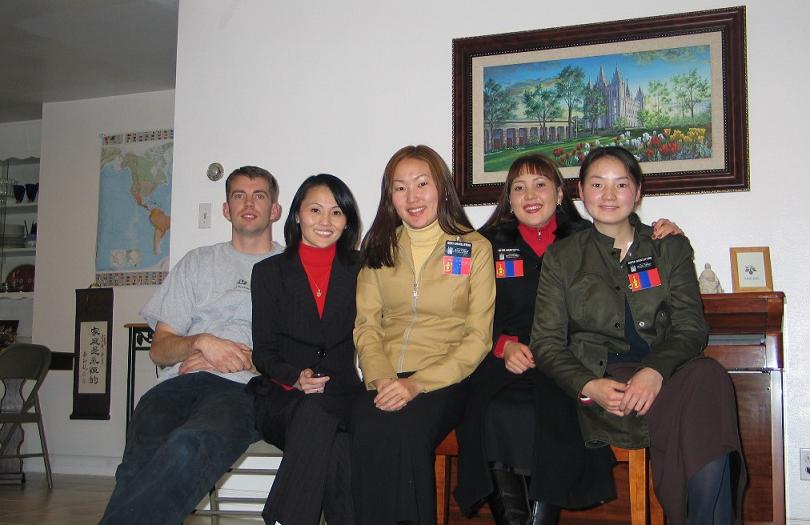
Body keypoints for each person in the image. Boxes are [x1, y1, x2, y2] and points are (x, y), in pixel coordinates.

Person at [454, 153, 682, 525]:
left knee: (553, 413)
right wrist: (504, 345)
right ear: (508, 199)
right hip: (504, 361)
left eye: (540, 184)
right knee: (488, 411)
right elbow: (461, 309)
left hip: (568, 361)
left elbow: (632, 254)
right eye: (519, 187)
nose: (530, 194)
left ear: (560, 193)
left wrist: (663, 231)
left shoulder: (587, 238)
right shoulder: (485, 245)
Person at [531, 146, 746, 525]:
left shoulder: (669, 246)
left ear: (639, 192)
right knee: (702, 415)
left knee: (709, 378)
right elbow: (546, 343)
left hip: (666, 379)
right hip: (603, 389)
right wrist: (587, 385)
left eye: (621, 184)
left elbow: (691, 327)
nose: (609, 196)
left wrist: (655, 371)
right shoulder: (562, 258)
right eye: (597, 184)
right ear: (581, 192)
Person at [100, 166, 283, 525]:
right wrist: (202, 343)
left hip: (244, 388)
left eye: (259, 195)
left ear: (274, 209)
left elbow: (305, 352)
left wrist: (244, 358)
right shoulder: (197, 263)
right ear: (226, 209)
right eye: (238, 195)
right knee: (138, 466)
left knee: (188, 445)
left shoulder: (290, 269)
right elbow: (159, 348)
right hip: (177, 383)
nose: (248, 203)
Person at [351, 144, 496, 525]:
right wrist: (382, 379)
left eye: (421, 184)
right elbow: (366, 325)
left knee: (406, 429)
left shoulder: (475, 248)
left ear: (442, 188)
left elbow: (478, 336)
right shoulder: (379, 248)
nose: (412, 197)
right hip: (384, 375)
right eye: (400, 188)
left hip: (444, 377)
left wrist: (416, 384)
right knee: (363, 427)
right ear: (390, 197)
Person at [250, 174, 363, 525]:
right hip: (284, 399)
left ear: (347, 222)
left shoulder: (362, 269)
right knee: (324, 425)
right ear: (297, 214)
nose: (325, 222)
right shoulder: (269, 272)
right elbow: (263, 352)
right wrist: (295, 378)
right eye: (315, 210)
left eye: (336, 213)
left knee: (336, 440)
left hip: (344, 394)